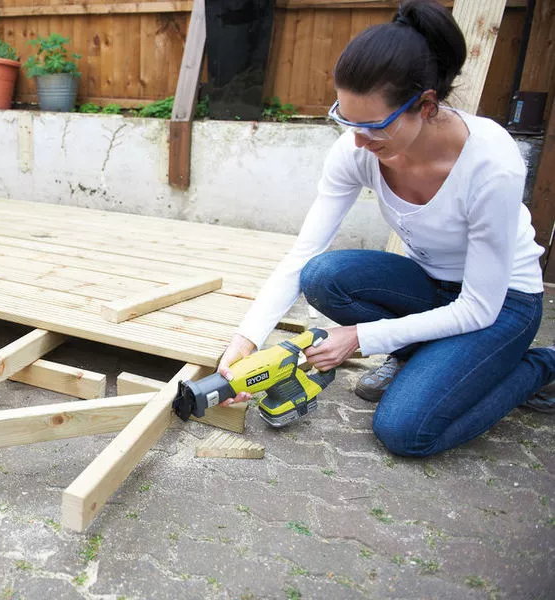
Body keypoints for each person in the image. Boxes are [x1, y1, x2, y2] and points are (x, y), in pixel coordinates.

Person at [216, 0, 555, 457]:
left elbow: (478, 308)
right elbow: (303, 254)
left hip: (500, 305)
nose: (357, 140)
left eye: (373, 125)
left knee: (405, 430)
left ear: (426, 106)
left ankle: (537, 365)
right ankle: (425, 355)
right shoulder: (357, 150)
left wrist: (360, 338)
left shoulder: (491, 164)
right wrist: (247, 338)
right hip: (432, 287)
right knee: (323, 276)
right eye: (345, 119)